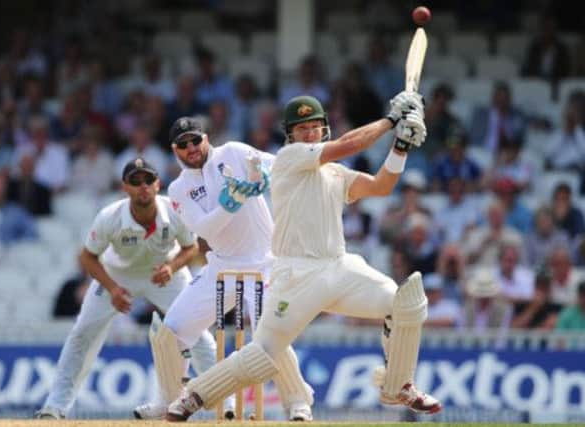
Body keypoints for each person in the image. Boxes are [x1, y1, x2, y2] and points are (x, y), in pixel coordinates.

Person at [166, 91, 442, 422]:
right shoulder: (289, 158)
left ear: (324, 128)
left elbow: (380, 187)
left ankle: (398, 385)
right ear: (291, 135)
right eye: (302, 128)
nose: (309, 133)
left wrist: (401, 148)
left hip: (339, 268)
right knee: (262, 355)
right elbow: (349, 145)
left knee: (405, 305)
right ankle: (195, 395)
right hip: (294, 275)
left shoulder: (335, 174)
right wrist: (391, 121)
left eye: (315, 126)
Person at [138, 117, 315, 421]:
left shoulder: (233, 152)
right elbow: (205, 228)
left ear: (206, 138)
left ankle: (298, 400)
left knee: (270, 335)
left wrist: (267, 176)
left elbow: (281, 163)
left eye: (196, 140)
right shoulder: (179, 188)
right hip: (220, 267)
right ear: (174, 149)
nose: (191, 148)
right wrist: (232, 201)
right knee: (172, 330)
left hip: (264, 264)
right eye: (184, 144)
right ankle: (168, 399)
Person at [35, 158, 216, 419]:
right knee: (83, 334)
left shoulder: (174, 210)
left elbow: (191, 247)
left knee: (198, 333)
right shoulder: (110, 217)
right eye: (135, 181)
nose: (142, 187)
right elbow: (86, 257)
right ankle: (55, 407)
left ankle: (226, 403)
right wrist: (112, 289)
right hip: (117, 276)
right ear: (125, 187)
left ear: (157, 184)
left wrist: (172, 268)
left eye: (148, 181)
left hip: (164, 274)